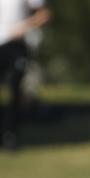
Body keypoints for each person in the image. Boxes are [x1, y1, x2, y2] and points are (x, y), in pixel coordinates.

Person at [0, 0, 50, 150]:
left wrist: (25, 26)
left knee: (14, 88)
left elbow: (44, 14)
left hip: (16, 44)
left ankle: (9, 135)